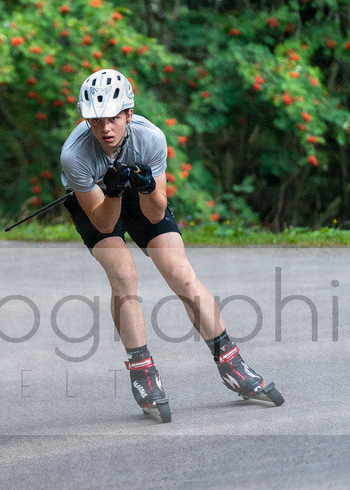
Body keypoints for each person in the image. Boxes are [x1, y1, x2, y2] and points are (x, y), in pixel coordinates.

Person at [59, 68, 280, 421]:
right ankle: (143, 371)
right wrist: (113, 190)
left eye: (113, 118)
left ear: (128, 114)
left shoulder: (152, 139)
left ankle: (231, 361)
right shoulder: (75, 156)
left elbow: (155, 210)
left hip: (140, 195)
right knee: (124, 277)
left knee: (181, 274)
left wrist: (146, 187)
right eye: (95, 120)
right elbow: (103, 221)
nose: (105, 128)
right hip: (99, 202)